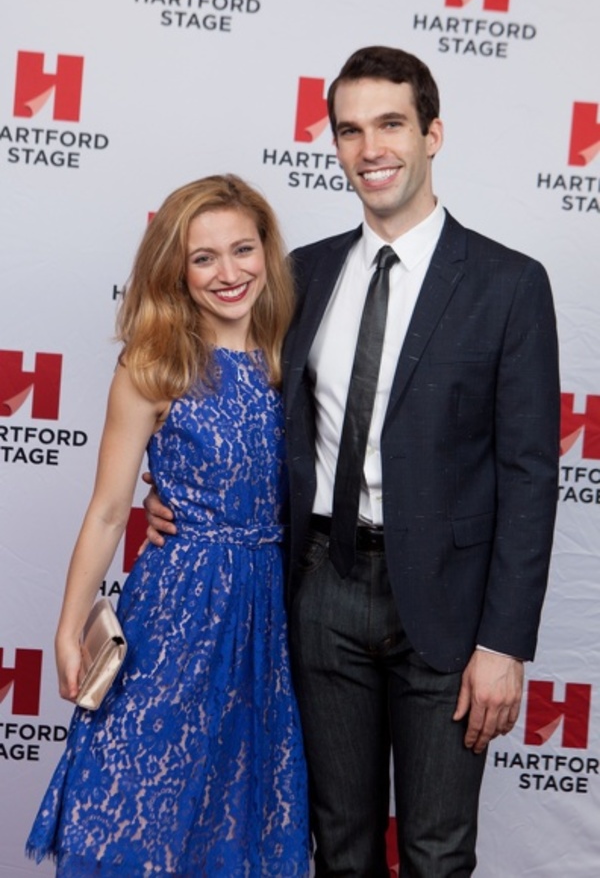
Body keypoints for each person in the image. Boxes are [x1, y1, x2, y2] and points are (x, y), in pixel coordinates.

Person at [145, 48, 561, 877]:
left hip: (446, 612)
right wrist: (182, 505)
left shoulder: (509, 285)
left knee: (438, 853)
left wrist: (505, 645)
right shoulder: (301, 275)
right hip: (321, 591)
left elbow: (528, 476)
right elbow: (244, 414)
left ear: (432, 133)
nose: (370, 147)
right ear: (333, 144)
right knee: (338, 846)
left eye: (391, 124)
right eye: (350, 130)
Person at [26, 175, 310, 877]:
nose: (229, 272)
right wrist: (68, 630)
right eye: (204, 257)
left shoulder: (298, 357)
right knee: (139, 799)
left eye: (243, 249)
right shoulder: (155, 364)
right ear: (176, 269)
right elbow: (105, 510)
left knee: (243, 812)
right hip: (177, 608)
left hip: (275, 614)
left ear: (268, 253)